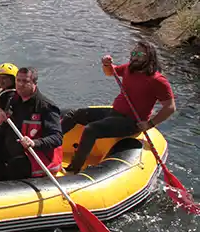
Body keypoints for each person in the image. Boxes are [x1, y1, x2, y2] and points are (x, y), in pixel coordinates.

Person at [62, 42, 175, 173]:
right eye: (133, 53)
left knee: (91, 129)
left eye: (138, 54)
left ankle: (74, 168)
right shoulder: (129, 68)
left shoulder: (157, 80)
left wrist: (150, 123)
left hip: (131, 121)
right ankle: (47, 145)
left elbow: (170, 107)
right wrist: (106, 64)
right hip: (114, 112)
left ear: (149, 57)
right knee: (74, 114)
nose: (134, 57)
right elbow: (110, 72)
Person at [0, 67, 63, 181]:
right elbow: (4, 130)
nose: (20, 84)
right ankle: (2, 178)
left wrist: (34, 143)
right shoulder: (13, 101)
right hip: (16, 148)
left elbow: (57, 138)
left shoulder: (46, 107)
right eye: (18, 80)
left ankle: (11, 182)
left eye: (25, 81)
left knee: (17, 164)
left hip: (36, 155)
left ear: (34, 83)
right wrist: (0, 123)